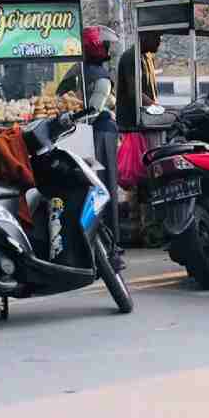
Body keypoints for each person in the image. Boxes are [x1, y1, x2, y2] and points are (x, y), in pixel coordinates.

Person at [82, 26, 126, 271]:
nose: (108, 48)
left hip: (79, 133)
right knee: (106, 187)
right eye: (105, 45)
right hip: (101, 133)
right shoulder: (101, 76)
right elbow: (94, 109)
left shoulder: (75, 71)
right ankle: (112, 246)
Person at [117, 32, 161, 132]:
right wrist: (156, 107)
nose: (159, 42)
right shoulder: (131, 57)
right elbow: (134, 92)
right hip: (131, 125)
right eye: (156, 37)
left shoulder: (148, 56)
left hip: (146, 120)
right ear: (145, 37)